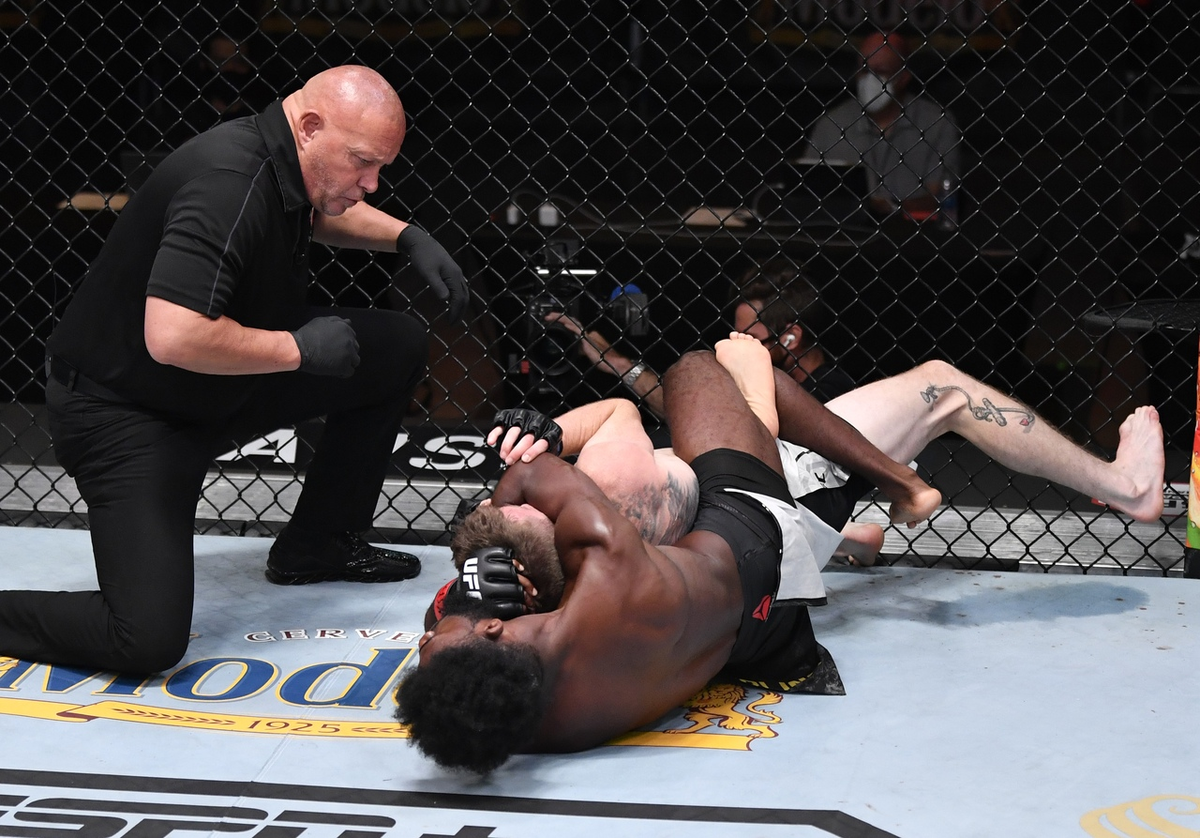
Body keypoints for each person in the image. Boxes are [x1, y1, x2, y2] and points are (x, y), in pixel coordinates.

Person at [398, 341, 1165, 772]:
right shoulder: (607, 530)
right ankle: (1117, 488)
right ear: (504, 620)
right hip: (766, 515)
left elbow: (467, 646)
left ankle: (854, 518)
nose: (426, 639)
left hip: (739, 616)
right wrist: (539, 441)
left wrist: (469, 593)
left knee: (724, 428)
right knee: (725, 368)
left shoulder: (535, 712)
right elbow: (566, 452)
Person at [0, 65, 469, 675]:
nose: (372, 184)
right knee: (144, 638)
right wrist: (298, 351)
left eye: (381, 167)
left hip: (215, 382)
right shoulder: (227, 181)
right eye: (362, 162)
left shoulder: (285, 162)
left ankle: (319, 543)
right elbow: (173, 334)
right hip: (128, 413)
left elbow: (321, 209)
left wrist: (407, 237)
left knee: (395, 345)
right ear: (309, 126)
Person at [548, 259, 854, 418]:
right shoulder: (758, 379)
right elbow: (689, 415)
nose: (736, 347)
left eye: (750, 337)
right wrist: (618, 363)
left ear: (790, 338)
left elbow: (709, 422)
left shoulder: (832, 396)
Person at [804, 31, 961, 219]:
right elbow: (809, 192)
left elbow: (942, 196)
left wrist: (887, 208)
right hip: (846, 230)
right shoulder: (832, 124)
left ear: (903, 77)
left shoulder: (936, 123)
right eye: (864, 70)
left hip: (913, 231)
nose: (870, 79)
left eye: (881, 71)